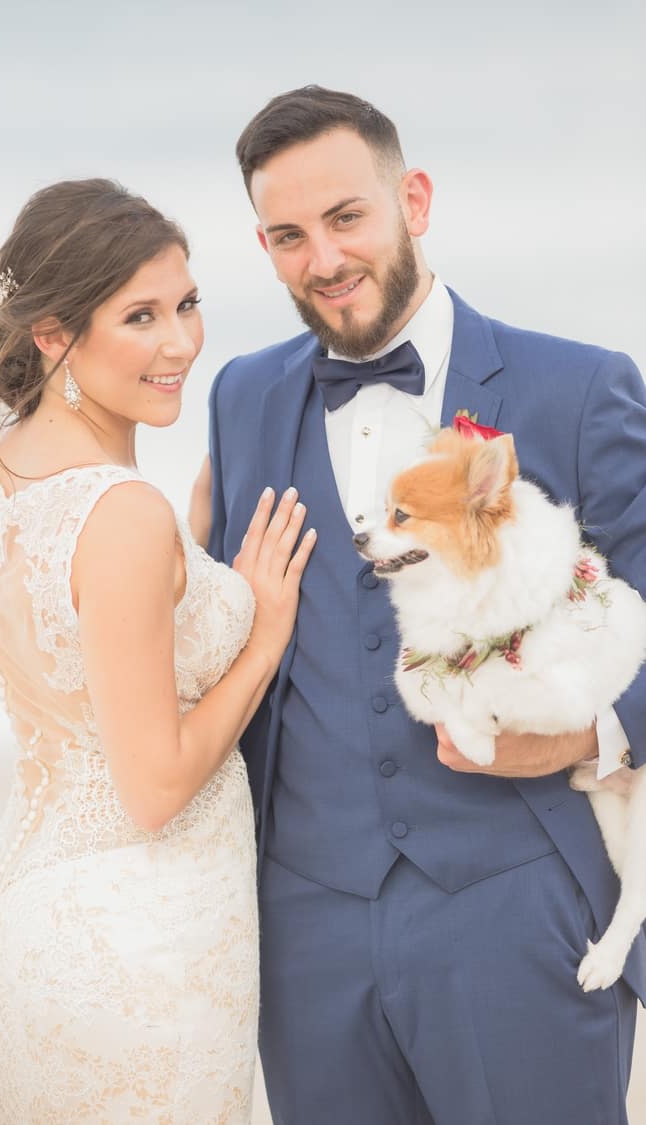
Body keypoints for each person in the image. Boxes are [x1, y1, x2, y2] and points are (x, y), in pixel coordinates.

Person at [201, 87, 646, 1124]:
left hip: (523, 913)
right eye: (287, 236)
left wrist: (595, 731)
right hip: (304, 933)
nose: (322, 260)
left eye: (347, 217)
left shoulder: (579, 389)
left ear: (415, 198)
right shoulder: (240, 397)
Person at [0, 178, 315, 1124]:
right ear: (53, 334)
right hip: (142, 944)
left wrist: (193, 562)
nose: (180, 344)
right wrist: (262, 633)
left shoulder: (6, 466)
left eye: (188, 303)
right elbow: (155, 786)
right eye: (140, 316)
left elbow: (76, 668)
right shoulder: (123, 514)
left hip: (40, 910)